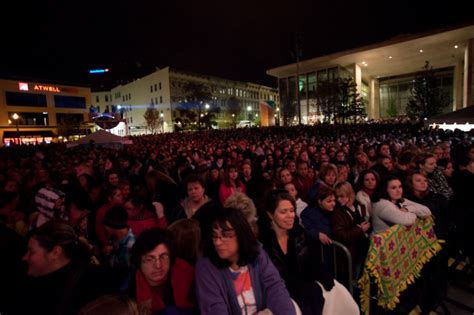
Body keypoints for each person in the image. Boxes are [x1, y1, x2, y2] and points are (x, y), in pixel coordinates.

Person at [195, 207, 296, 315]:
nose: (218, 242)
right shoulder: (206, 268)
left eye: (226, 236)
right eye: (215, 236)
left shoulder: (258, 255)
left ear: (241, 235)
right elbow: (214, 309)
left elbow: (276, 289)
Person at [259, 191, 334, 315]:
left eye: (292, 210)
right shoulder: (262, 243)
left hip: (306, 290)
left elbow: (313, 261)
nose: (290, 215)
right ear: (270, 214)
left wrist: (323, 276)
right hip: (278, 295)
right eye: (283, 212)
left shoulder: (299, 234)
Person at [17, 220, 106, 315]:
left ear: (55, 252)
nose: (24, 257)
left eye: (31, 252)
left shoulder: (81, 291)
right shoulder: (31, 279)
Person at [126, 228, 196, 315]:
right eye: (149, 259)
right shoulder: (129, 291)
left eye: (164, 256)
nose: (158, 265)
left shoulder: (187, 274)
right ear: (139, 262)